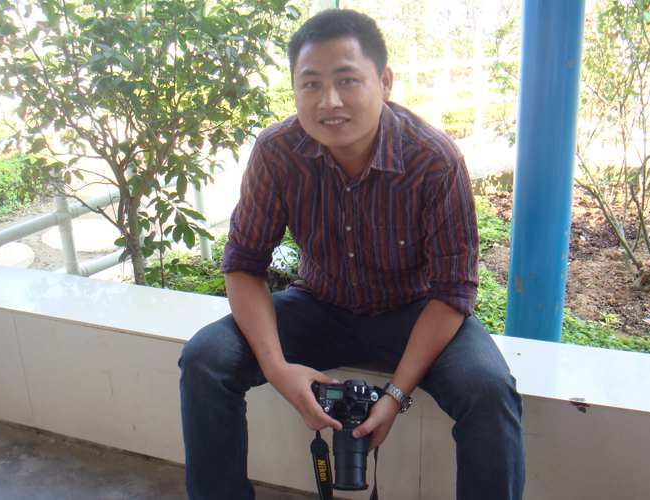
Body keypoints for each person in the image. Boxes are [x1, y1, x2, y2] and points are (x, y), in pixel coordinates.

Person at [179, 8, 525, 500]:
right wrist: (278, 370)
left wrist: (395, 395)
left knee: (488, 391)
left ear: (384, 82)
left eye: (347, 80)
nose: (330, 101)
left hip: (414, 311)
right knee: (205, 359)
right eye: (311, 84)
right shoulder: (278, 152)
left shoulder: (433, 160)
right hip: (319, 305)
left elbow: (453, 292)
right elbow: (243, 264)